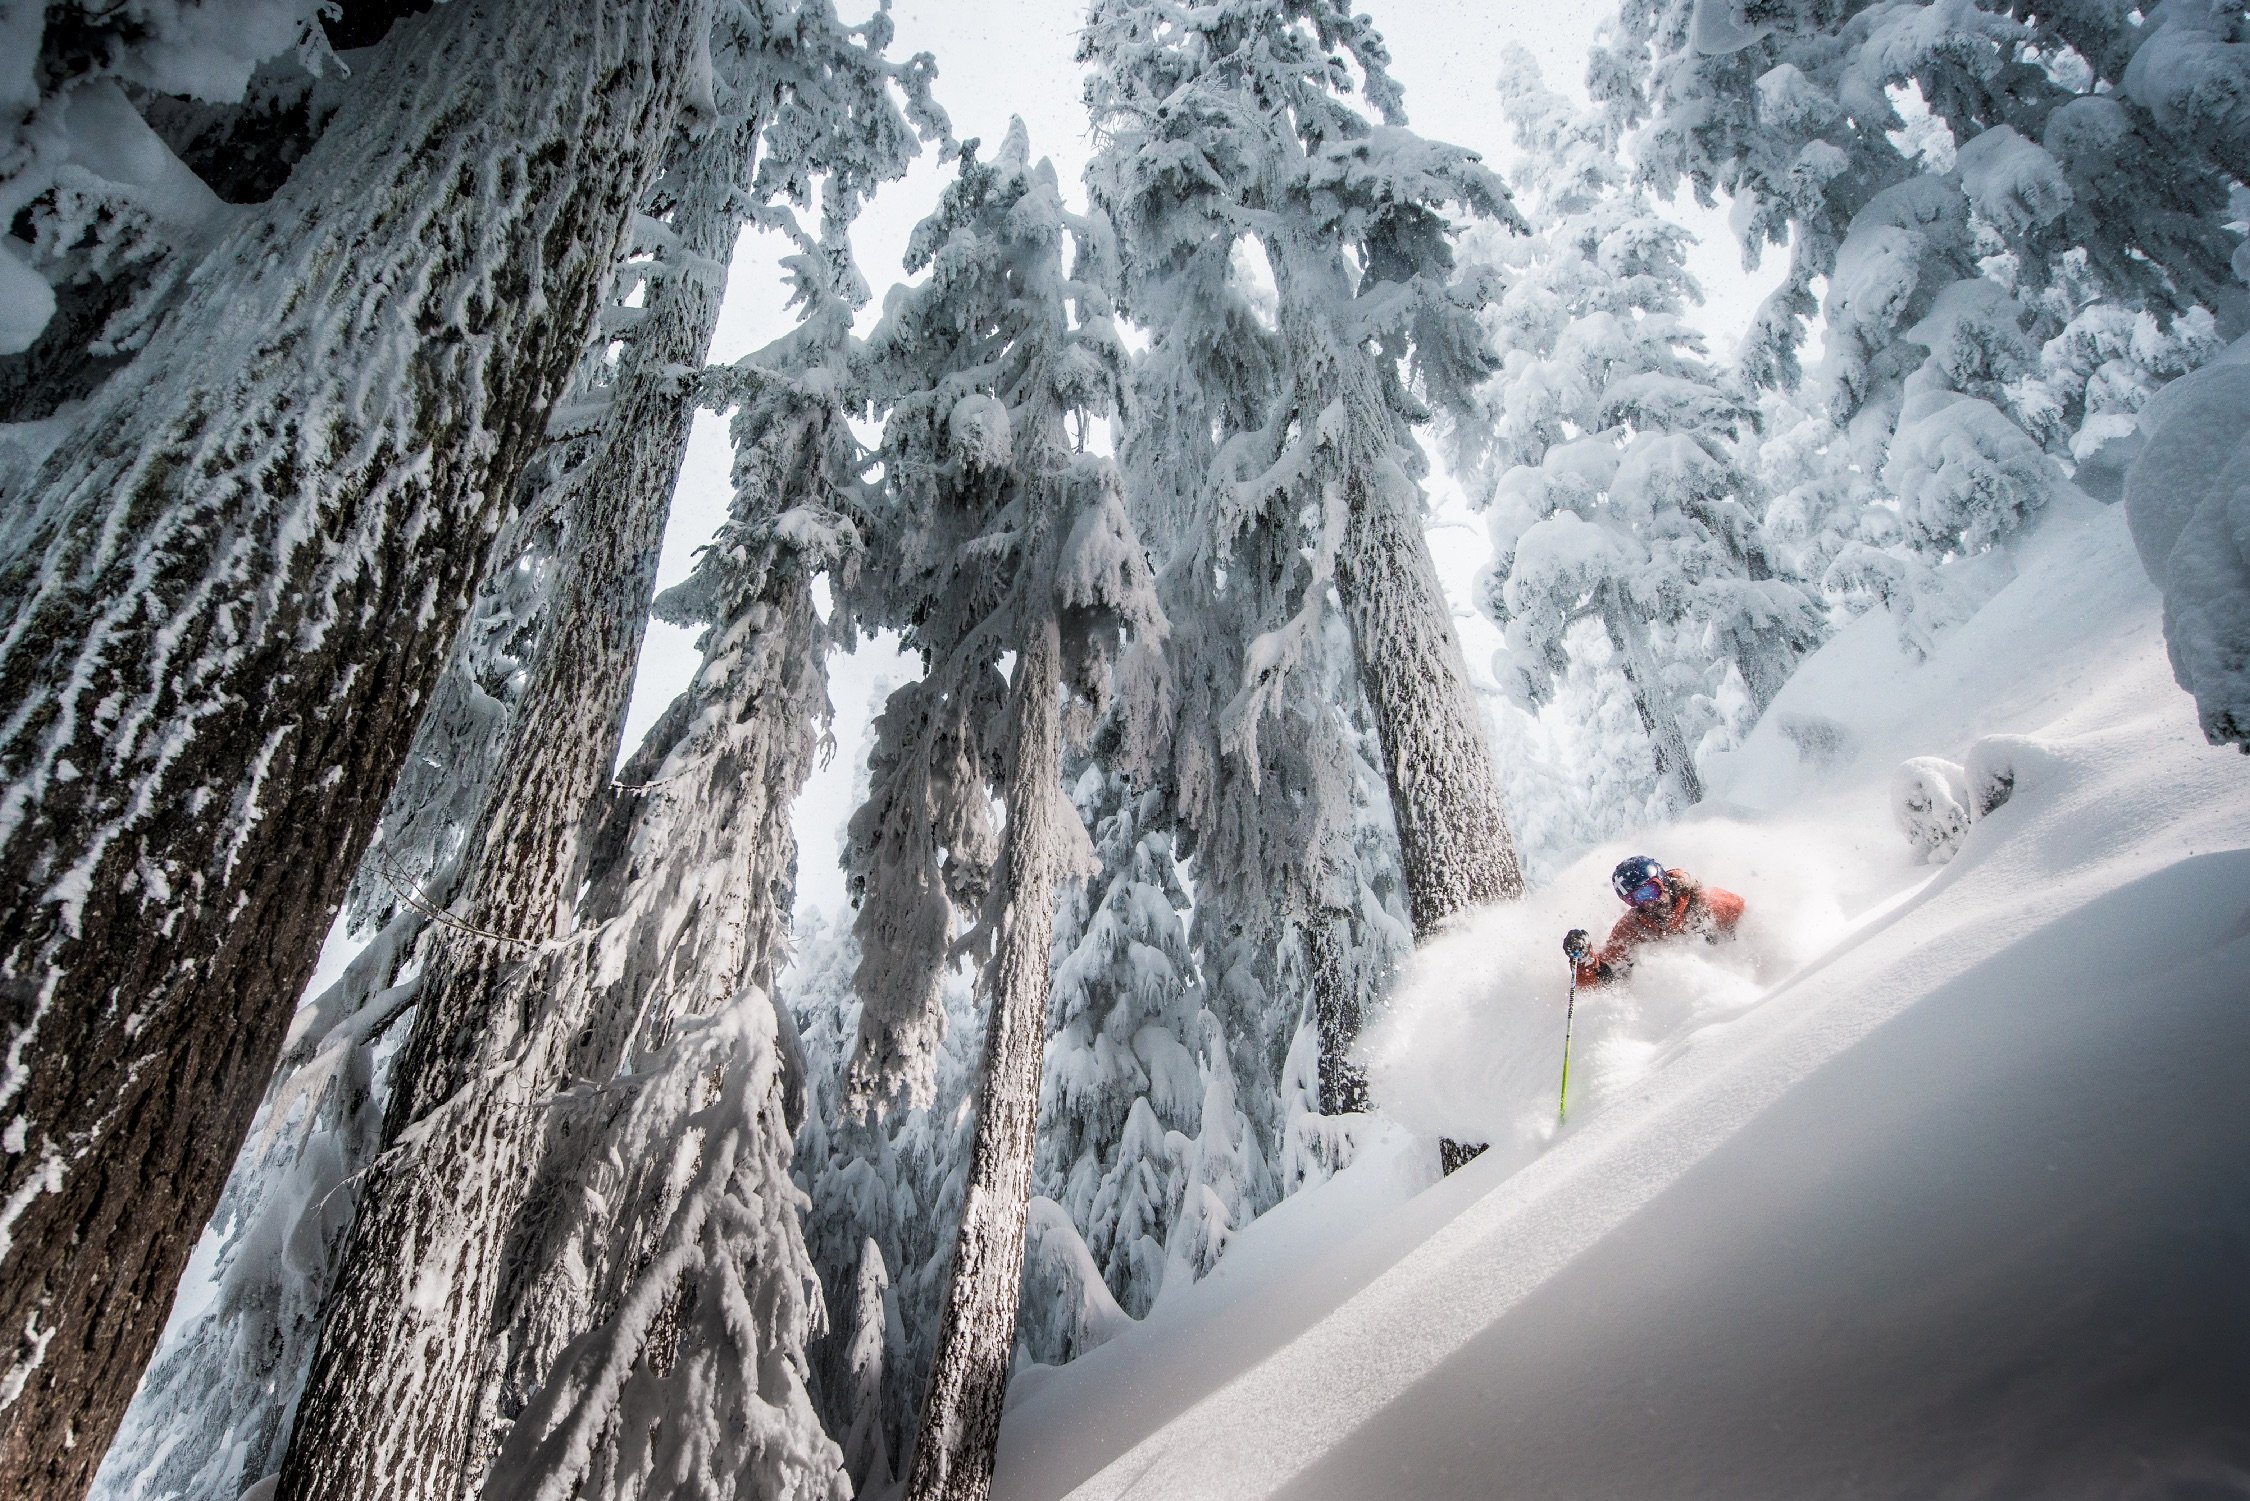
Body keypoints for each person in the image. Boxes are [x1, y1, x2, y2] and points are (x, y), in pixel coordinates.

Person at [1564, 855, 1745, 988]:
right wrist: (1583, 959)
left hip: (1730, 977)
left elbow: (1752, 926)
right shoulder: (1633, 927)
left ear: (1663, 881)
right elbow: (1601, 980)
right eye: (1634, 900)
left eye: (1649, 891)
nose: (1649, 903)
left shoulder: (1708, 902)